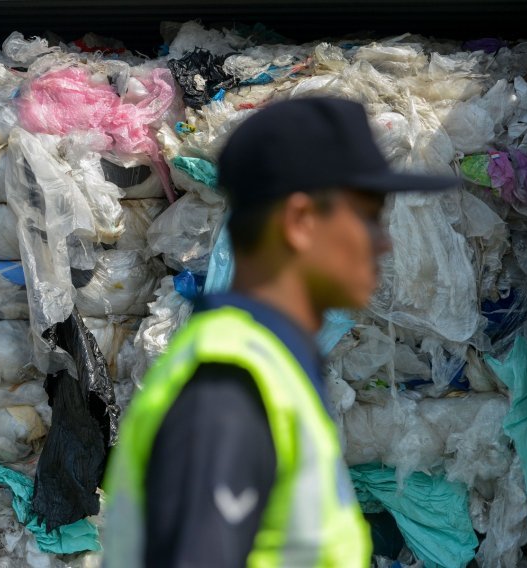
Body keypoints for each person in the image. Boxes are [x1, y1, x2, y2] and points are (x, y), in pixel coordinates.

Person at [103, 97, 455, 567]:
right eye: (368, 217)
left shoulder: (269, 367)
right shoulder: (232, 388)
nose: (383, 240)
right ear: (301, 223)